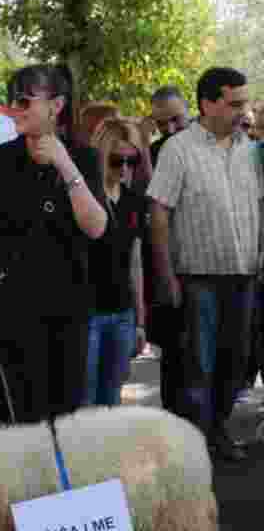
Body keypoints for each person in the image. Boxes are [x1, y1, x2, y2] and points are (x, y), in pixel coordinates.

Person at [0, 64, 108, 424]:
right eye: (12, 101)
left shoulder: (84, 157)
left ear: (56, 105)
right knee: (23, 420)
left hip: (70, 311)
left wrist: (64, 164)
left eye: (24, 100)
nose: (15, 109)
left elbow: (96, 228)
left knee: (67, 418)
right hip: (14, 310)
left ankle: (63, 481)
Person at [146, 67, 260, 462]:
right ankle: (195, 446)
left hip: (245, 276)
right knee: (198, 367)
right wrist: (166, 277)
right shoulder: (178, 150)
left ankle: (219, 430)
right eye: (235, 103)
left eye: (244, 102)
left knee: (237, 362)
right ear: (208, 103)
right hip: (197, 278)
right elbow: (158, 214)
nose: (242, 111)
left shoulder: (251, 149)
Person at [84, 118, 150, 405]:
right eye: (116, 160)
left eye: (131, 161)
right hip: (86, 314)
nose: (124, 169)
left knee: (111, 400)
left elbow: (135, 262)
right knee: (83, 401)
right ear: (101, 156)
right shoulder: (83, 197)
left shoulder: (134, 200)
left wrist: (140, 320)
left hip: (122, 313)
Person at [143, 86, 192, 413]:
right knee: (175, 355)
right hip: (168, 267)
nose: (171, 129)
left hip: (210, 266)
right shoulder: (155, 153)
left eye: (176, 119)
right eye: (163, 124)